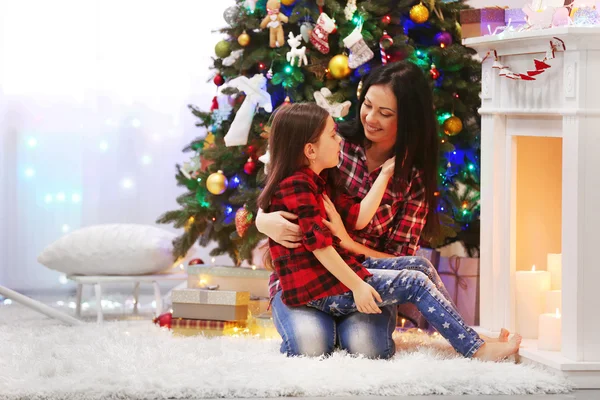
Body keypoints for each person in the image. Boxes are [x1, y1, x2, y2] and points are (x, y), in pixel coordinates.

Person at [256, 61, 510, 359]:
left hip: (356, 272)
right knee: (310, 346)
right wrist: (263, 220)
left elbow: (363, 223)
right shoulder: (328, 155)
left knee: (370, 344)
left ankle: (465, 334)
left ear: (407, 120)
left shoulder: (395, 175)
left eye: (385, 113)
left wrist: (383, 178)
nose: (370, 118)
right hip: (317, 281)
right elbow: (280, 194)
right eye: (367, 105)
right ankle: (472, 346)